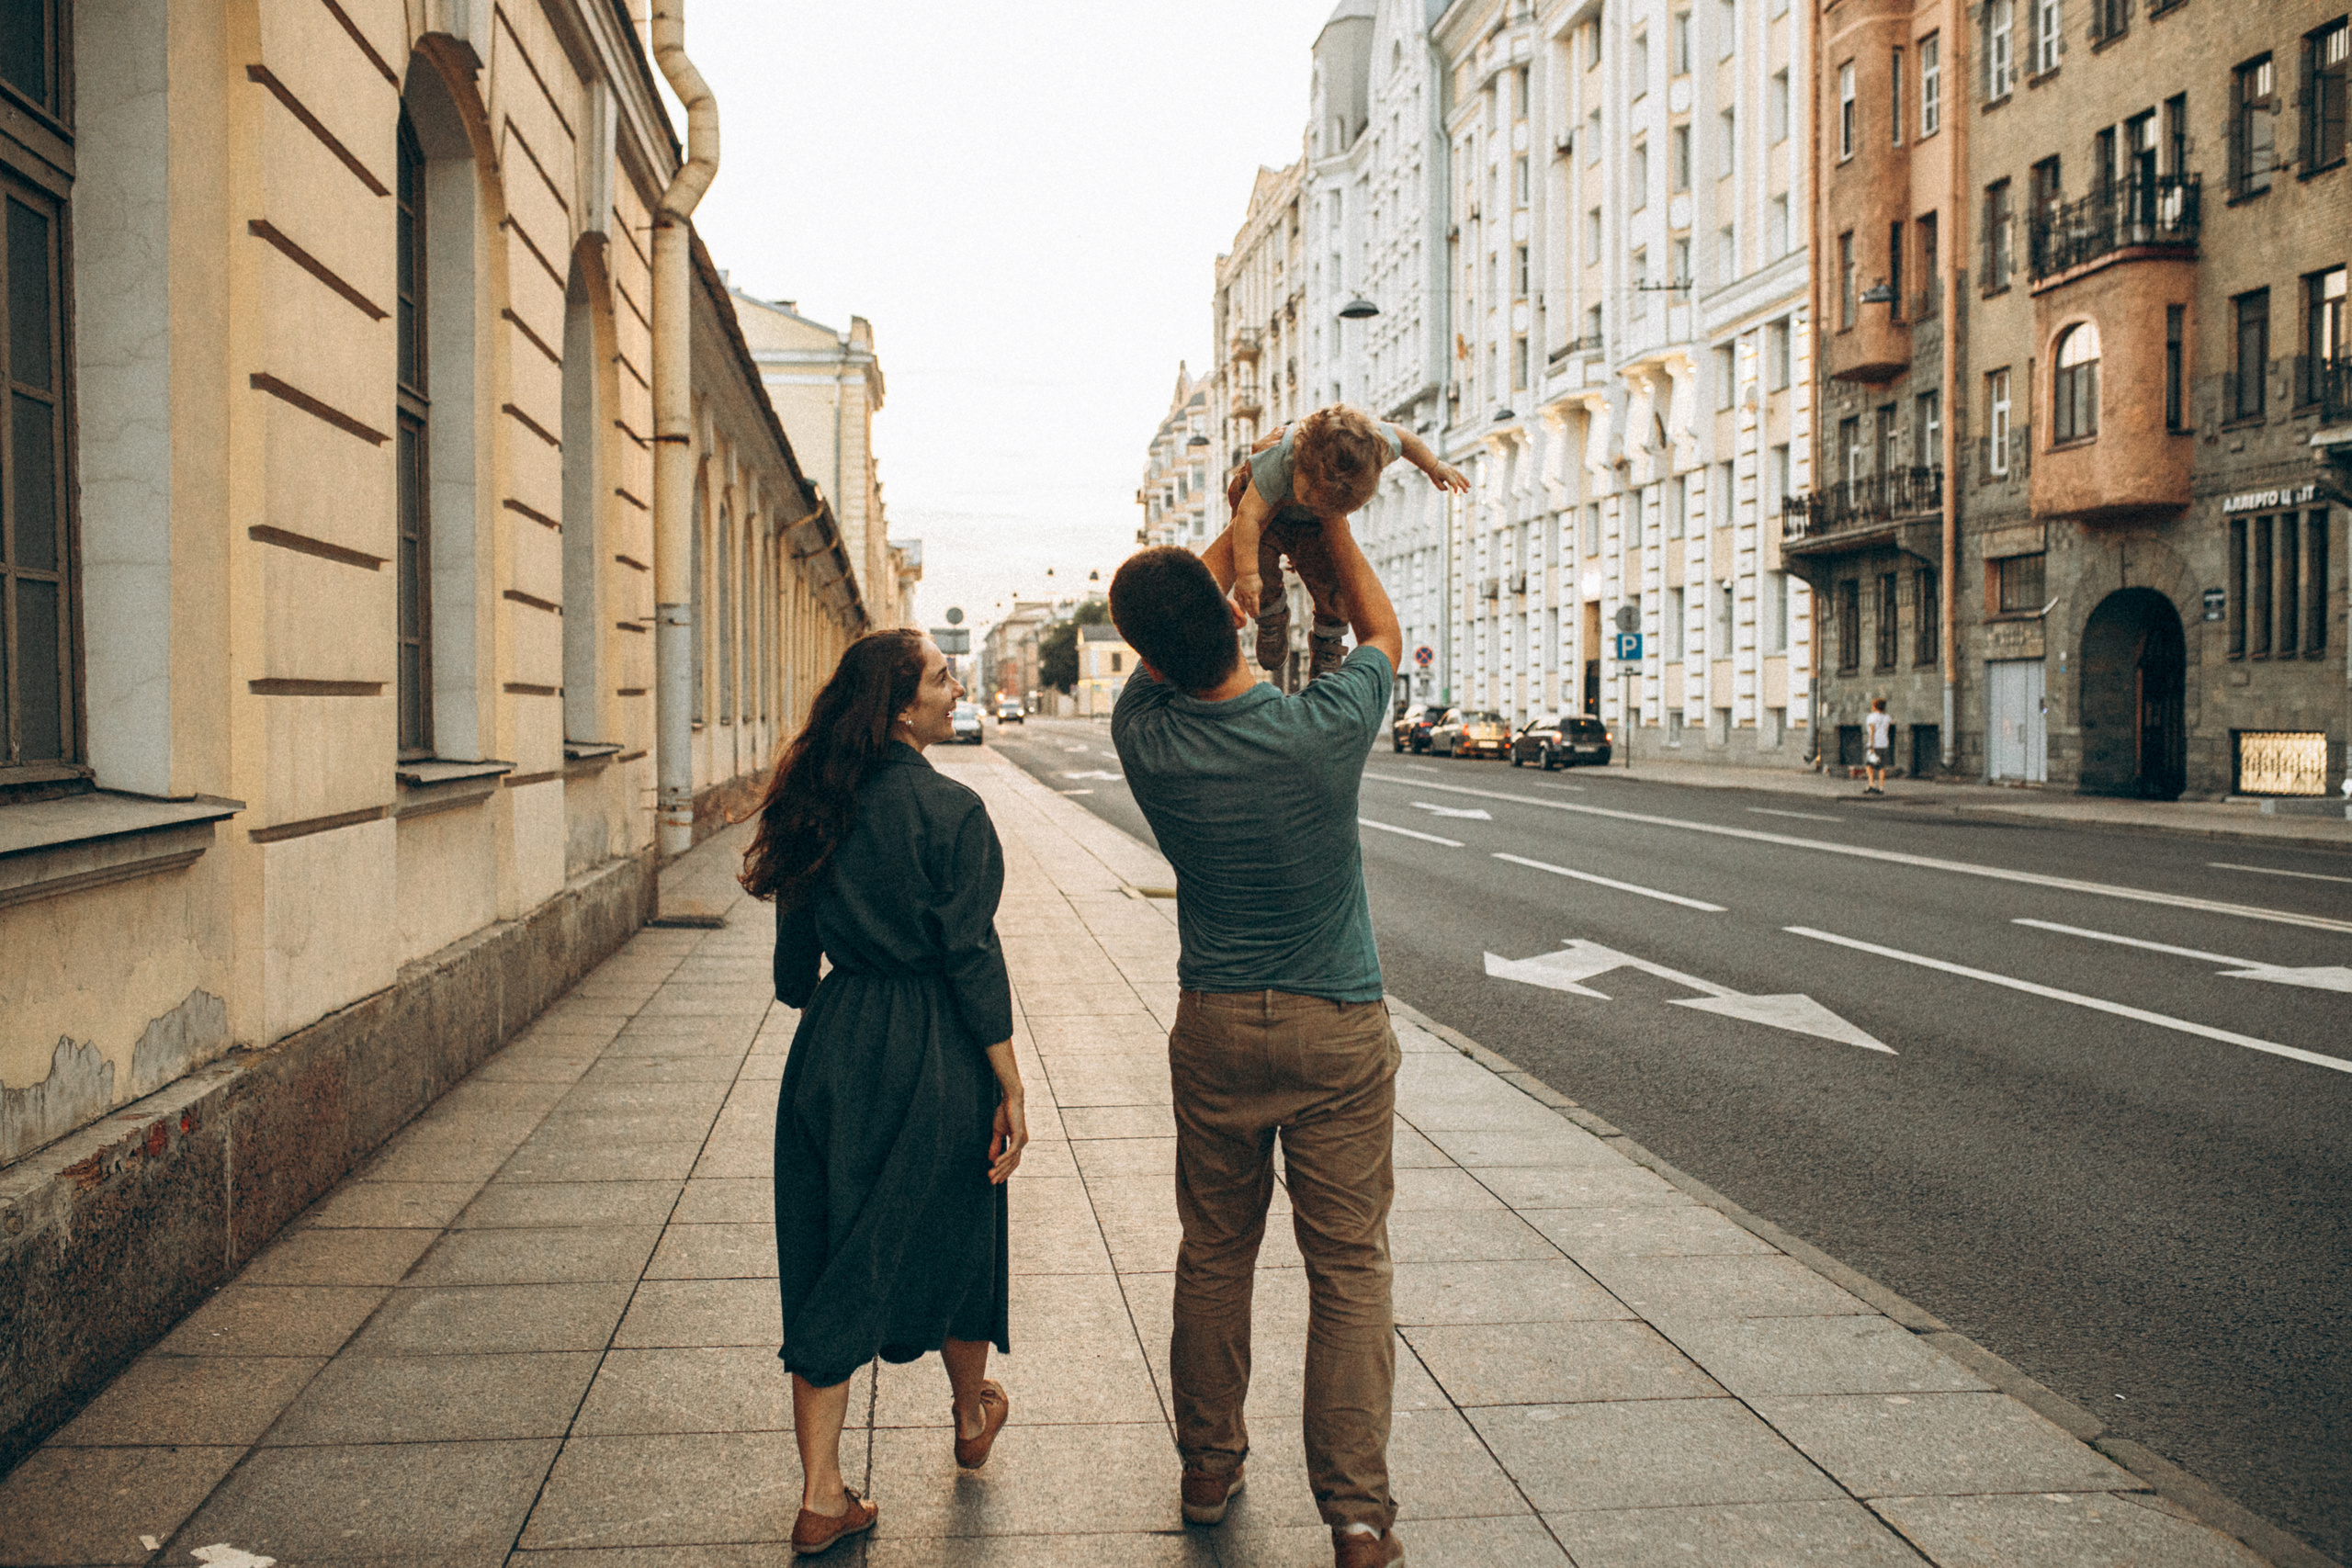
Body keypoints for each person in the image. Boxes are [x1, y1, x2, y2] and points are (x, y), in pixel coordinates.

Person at [1107, 519, 1410, 1568]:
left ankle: (1207, 1463)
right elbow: (1381, 627)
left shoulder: (1143, 734)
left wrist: (1237, 537)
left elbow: (1180, 625)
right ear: (1232, 624)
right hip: (1336, 1023)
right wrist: (1317, 522)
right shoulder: (1322, 728)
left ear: (1146, 656)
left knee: (1215, 1251)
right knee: (1349, 1267)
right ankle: (1358, 1518)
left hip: (1218, 1027)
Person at [739, 629, 1029, 1558]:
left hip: (833, 1043)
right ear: (904, 706)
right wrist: (1009, 1080)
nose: (956, 689)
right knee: (963, 1223)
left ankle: (823, 1492)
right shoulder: (952, 812)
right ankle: (967, 1411)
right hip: (937, 1044)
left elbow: (792, 974)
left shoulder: (811, 802)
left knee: (829, 1246)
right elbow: (970, 956)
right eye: (943, 678)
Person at [1227, 404, 1466, 682]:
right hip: (1269, 516)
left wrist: (1433, 465)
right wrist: (1246, 575)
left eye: (1318, 500)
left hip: (1313, 525)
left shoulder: (1369, 448)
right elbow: (1248, 518)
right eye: (1305, 492)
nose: (1306, 499)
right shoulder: (1281, 457)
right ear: (1302, 458)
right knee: (1259, 566)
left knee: (1333, 582)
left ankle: (1328, 642)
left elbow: (1405, 439)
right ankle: (1270, 616)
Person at [1863, 696, 1894, 795]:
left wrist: (1871, 746)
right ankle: (1881, 788)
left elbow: (1872, 731)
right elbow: (1887, 730)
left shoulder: (1871, 717)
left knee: (1869, 765)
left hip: (1874, 744)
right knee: (1881, 767)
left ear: (1874, 706)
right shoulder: (1887, 717)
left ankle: (1872, 784)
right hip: (1884, 743)